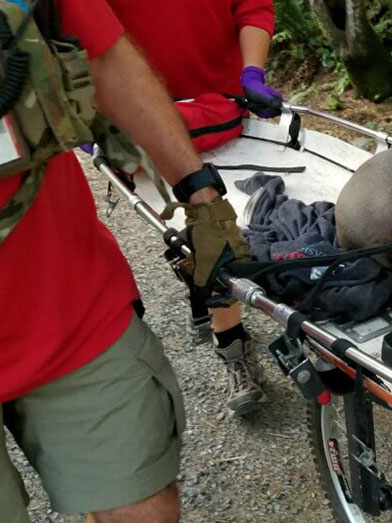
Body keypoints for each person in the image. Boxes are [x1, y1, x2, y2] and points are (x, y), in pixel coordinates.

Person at [0, 0, 250, 521]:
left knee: (146, 509)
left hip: (68, 303)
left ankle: (233, 343)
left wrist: (202, 198)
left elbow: (103, 52)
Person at [101, 0, 284, 417]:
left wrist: (252, 72)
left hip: (220, 107)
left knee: (219, 230)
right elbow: (84, 34)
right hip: (141, 120)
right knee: (206, 232)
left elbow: (253, 7)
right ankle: (229, 339)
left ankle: (217, 316)